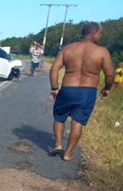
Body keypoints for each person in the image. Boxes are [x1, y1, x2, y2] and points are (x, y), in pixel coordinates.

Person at [49, 21, 115, 161]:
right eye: (100, 33)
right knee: (77, 122)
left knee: (59, 117)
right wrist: (107, 88)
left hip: (67, 89)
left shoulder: (68, 49)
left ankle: (58, 144)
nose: (100, 36)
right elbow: (110, 75)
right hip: (87, 91)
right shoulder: (102, 51)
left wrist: (54, 88)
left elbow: (54, 68)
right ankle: (68, 153)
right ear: (94, 34)